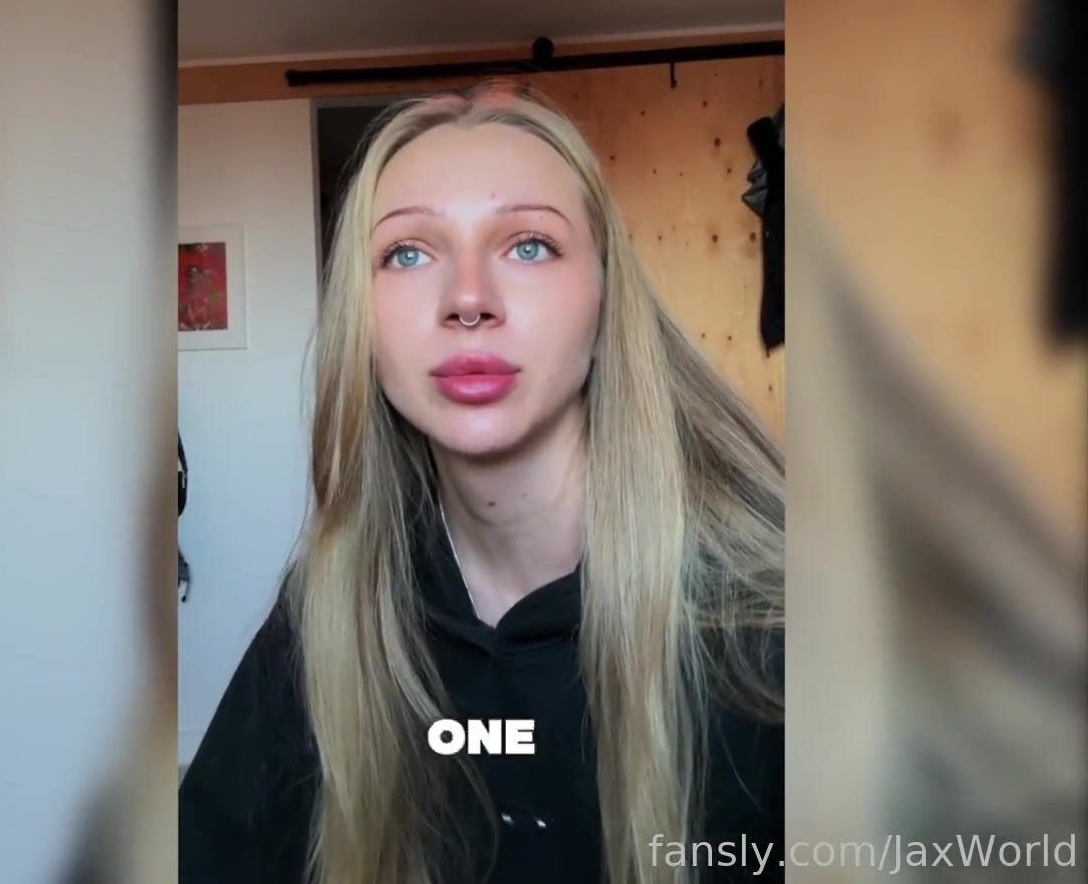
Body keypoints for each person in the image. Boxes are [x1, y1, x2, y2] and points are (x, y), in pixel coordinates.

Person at [179, 83, 784, 884]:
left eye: (529, 245)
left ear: (606, 297)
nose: (467, 299)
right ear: (362, 319)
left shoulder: (774, 624)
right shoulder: (329, 611)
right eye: (408, 253)